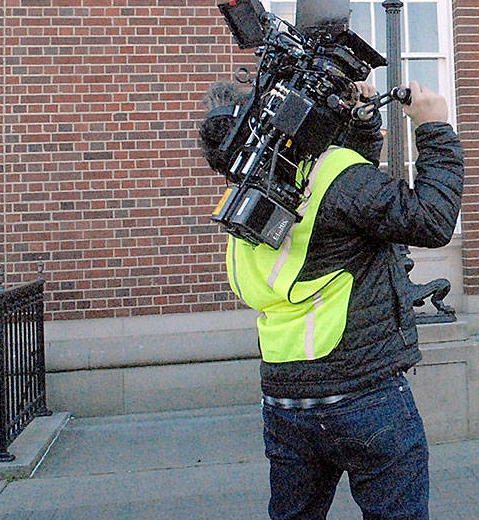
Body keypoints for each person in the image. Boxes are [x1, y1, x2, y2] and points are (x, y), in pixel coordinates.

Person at [198, 77, 463, 520]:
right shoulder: (333, 176)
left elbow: (350, 199)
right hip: (365, 394)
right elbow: (431, 219)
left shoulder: (247, 196)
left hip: (287, 400)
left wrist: (360, 119)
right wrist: (433, 128)